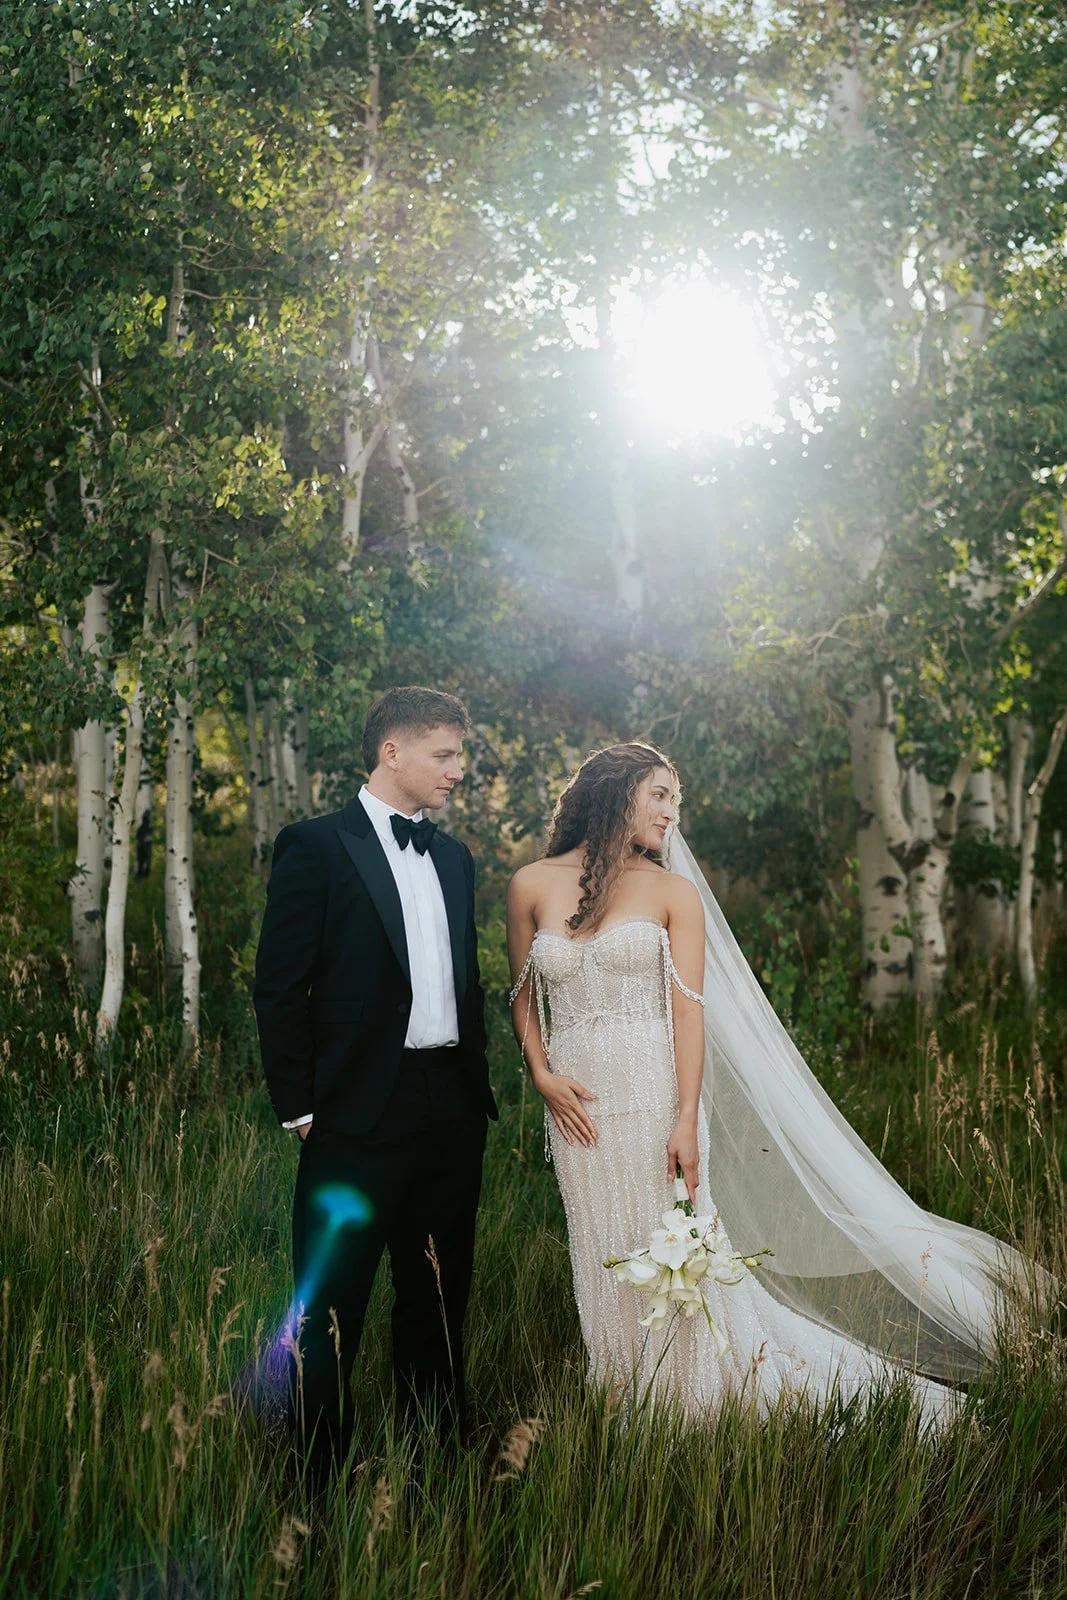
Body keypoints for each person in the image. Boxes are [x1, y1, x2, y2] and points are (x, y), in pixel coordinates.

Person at [506, 742, 1041, 1424]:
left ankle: (693, 1402)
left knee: (676, 1255)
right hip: (577, 1112)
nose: (672, 813)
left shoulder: (674, 892)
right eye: (660, 796)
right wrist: (542, 1074)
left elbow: (688, 1012)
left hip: (655, 1102)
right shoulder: (530, 883)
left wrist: (684, 1119)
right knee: (600, 1249)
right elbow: (521, 996)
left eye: (676, 799)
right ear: (615, 793)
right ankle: (623, 1392)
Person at [254, 686, 496, 1480]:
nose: (457, 770)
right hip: (353, 1112)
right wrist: (299, 1109)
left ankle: (433, 1460)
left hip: (448, 1106)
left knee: (435, 1296)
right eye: (444, 754)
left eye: (458, 755)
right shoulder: (315, 846)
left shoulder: (455, 858)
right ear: (391, 752)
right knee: (332, 1306)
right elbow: (280, 985)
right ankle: (313, 1476)